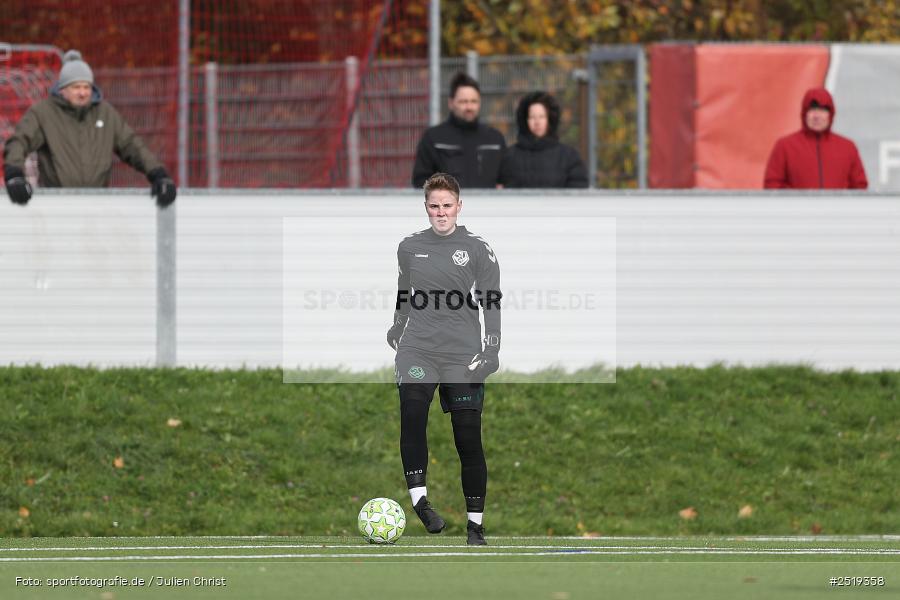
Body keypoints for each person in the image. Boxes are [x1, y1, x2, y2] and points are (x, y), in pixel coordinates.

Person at [387, 172, 502, 545]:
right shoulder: (408, 247)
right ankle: (421, 503)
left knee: (467, 438)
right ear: (426, 208)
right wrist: (396, 325)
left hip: (462, 353)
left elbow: (491, 301)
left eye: (446, 206)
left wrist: (492, 349)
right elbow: (405, 291)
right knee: (413, 412)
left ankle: (475, 528)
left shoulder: (479, 249)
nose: (440, 212)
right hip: (417, 347)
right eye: (434, 206)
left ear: (459, 207)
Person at [3, 50, 176, 207]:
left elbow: (132, 145)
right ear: (63, 89)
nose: (82, 92)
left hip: (97, 203)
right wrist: (15, 174)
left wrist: (158, 174)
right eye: (76, 87)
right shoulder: (43, 113)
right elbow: (19, 141)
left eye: (86, 87)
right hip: (56, 204)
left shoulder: (105, 113)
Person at [411, 72, 506, 189]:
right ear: (451, 103)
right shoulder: (433, 138)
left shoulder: (495, 139)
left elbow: (506, 180)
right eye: (463, 102)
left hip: (487, 206)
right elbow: (420, 180)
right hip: (449, 207)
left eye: (473, 101)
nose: (469, 107)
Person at [763, 88, 867, 189]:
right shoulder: (785, 146)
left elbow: (859, 187)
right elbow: (772, 186)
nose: (817, 116)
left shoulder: (847, 148)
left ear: (830, 115)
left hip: (836, 207)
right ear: (804, 114)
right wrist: (797, 202)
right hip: (797, 207)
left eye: (822, 110)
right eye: (812, 110)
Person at [499, 91, 588, 188]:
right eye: (532, 117)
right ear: (525, 120)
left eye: (542, 117)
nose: (537, 122)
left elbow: (577, 193)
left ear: (549, 119)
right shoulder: (510, 157)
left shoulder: (568, 157)